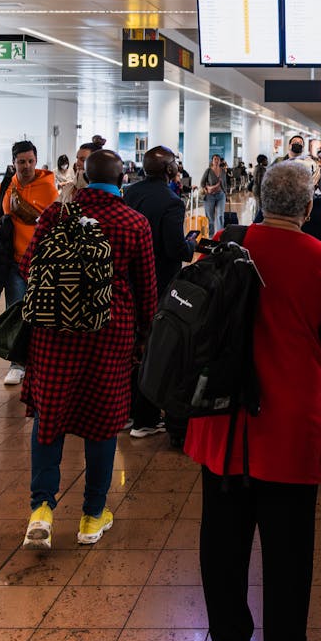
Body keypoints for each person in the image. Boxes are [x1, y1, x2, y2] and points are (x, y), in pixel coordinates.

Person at [184, 161, 321, 641]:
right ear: (307, 207)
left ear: (257, 198)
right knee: (289, 553)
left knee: (222, 543)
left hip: (224, 425)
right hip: (289, 428)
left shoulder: (223, 243)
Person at [20, 149, 158, 550]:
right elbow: (147, 290)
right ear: (121, 180)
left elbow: (28, 266)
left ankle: (41, 510)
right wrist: (144, 334)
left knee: (49, 416)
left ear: (83, 177)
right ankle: (93, 516)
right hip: (109, 333)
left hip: (53, 333)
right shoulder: (133, 222)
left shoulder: (54, 215)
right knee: (103, 421)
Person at [123, 145, 197, 439]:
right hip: (158, 282)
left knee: (133, 346)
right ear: (169, 170)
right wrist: (191, 243)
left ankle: (128, 412)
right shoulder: (171, 201)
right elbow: (174, 248)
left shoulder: (130, 192)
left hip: (127, 279)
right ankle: (146, 418)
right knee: (154, 348)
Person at [0, 140, 58, 386]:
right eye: (21, 162)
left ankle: (39, 360)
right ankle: (17, 363)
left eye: (30, 161)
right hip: (13, 261)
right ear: (14, 162)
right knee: (16, 309)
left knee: (40, 313)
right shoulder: (7, 185)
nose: (26, 166)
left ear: (36, 161)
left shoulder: (48, 188)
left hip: (40, 262)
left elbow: (55, 223)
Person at [200, 154, 229, 235]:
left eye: (218, 159)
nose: (216, 161)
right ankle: (211, 236)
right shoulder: (208, 170)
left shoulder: (223, 171)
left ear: (220, 161)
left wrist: (226, 194)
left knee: (220, 216)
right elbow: (202, 183)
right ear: (212, 161)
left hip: (221, 195)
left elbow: (225, 184)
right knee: (210, 218)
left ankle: (220, 235)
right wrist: (208, 188)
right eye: (215, 159)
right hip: (210, 196)